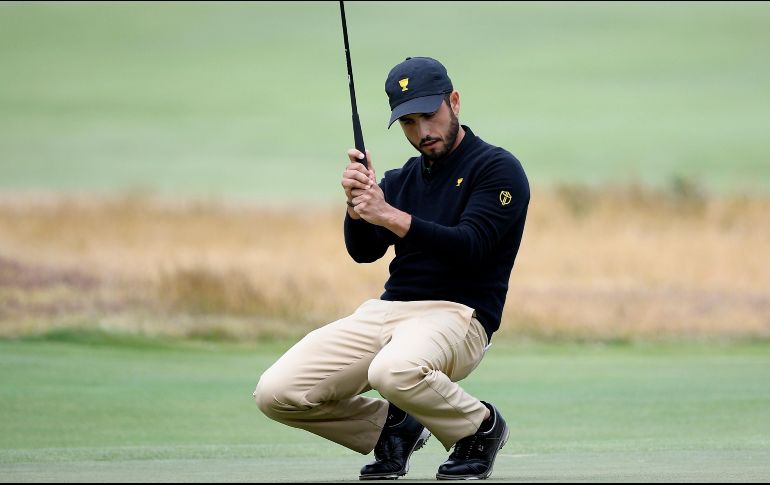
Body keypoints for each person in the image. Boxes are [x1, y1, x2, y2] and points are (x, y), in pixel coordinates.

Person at [254, 56, 529, 480]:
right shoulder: (400, 181)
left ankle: (478, 427)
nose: (422, 133)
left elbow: (471, 247)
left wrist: (389, 214)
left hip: (460, 315)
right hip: (388, 312)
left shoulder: (496, 169)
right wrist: (357, 205)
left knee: (391, 371)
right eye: (408, 123)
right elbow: (363, 252)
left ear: (454, 102)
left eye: (429, 116)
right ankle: (391, 425)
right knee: (277, 393)